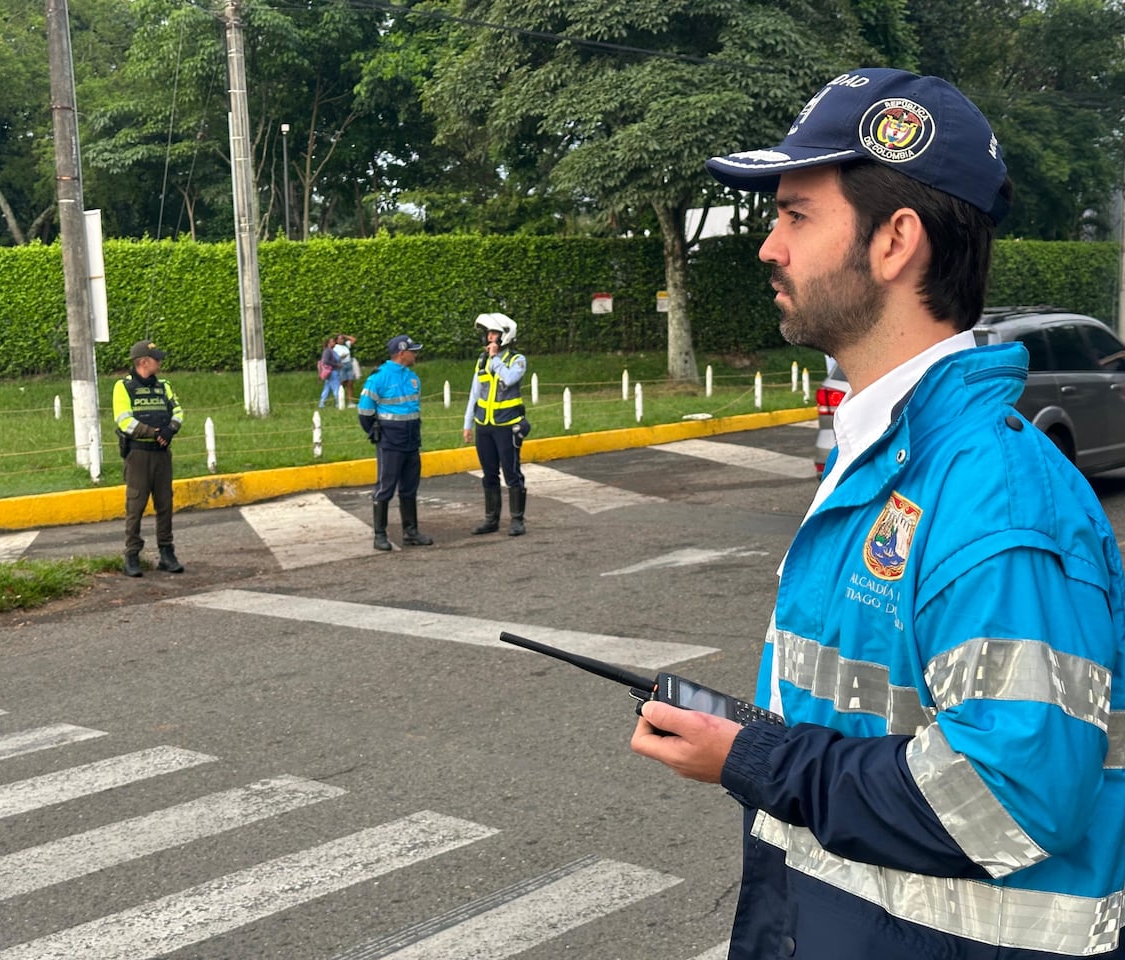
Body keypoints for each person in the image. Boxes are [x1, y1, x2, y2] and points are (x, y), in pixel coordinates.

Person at [630, 67, 1125, 960]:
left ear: (896, 241)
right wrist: (747, 739)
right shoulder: (889, 455)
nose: (768, 247)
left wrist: (752, 760)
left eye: (795, 214)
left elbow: (1009, 795)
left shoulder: (994, 494)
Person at [112, 339, 185, 578]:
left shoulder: (164, 386)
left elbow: (177, 411)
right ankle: (132, 554)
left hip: (162, 454)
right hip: (139, 454)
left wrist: (170, 429)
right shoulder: (123, 387)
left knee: (165, 504)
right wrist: (153, 432)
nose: (160, 362)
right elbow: (124, 421)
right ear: (143, 362)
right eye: (156, 359)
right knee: (136, 505)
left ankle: (167, 552)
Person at [357, 334, 433, 551]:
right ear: (401, 353)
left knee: (409, 488)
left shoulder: (412, 377)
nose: (415, 354)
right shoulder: (378, 378)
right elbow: (364, 412)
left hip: (411, 440)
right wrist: (375, 434)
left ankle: (411, 532)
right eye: (412, 350)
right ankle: (379, 535)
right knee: (385, 488)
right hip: (391, 442)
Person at [461, 312, 529, 536]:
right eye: (488, 333)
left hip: (507, 425)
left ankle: (517, 520)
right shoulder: (481, 360)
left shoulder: (517, 359)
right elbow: (474, 393)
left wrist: (495, 359)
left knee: (512, 473)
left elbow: (509, 379)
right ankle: (491, 519)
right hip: (485, 426)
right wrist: (468, 423)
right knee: (489, 474)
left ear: (505, 336)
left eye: (494, 333)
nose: (489, 337)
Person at [317, 335, 342, 408]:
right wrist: (337, 365)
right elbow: (326, 361)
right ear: (328, 343)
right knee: (336, 387)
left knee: (327, 388)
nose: (334, 343)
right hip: (332, 372)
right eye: (332, 342)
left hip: (331, 372)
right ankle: (338, 403)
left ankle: (321, 403)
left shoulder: (332, 351)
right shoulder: (327, 351)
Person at [334, 333, 358, 406]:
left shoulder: (346, 345)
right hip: (342, 365)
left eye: (342, 339)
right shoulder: (335, 348)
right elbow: (336, 358)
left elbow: (354, 339)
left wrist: (344, 335)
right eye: (340, 339)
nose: (342, 340)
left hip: (349, 364)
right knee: (342, 383)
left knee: (350, 383)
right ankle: (339, 401)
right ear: (337, 340)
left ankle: (350, 402)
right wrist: (341, 357)